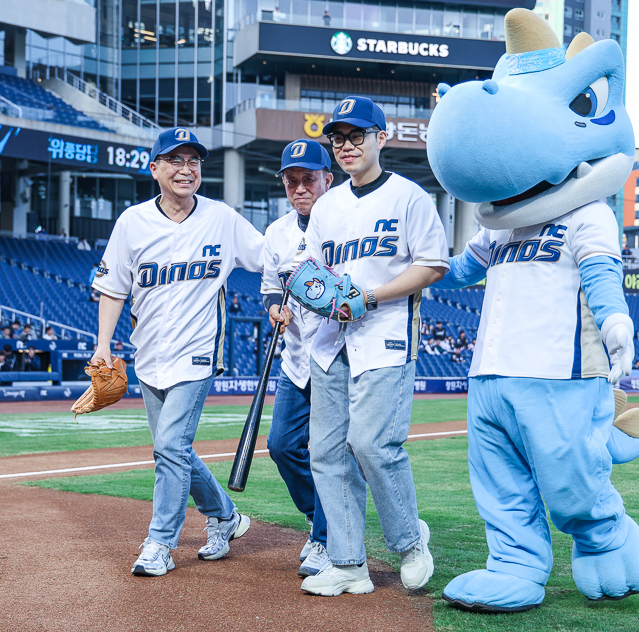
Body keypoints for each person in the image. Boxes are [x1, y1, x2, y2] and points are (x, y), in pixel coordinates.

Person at [90, 127, 266, 577]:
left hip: (198, 352)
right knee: (174, 450)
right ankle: (226, 516)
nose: (186, 169)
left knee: (170, 445)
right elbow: (113, 289)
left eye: (193, 161)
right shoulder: (132, 222)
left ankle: (160, 543)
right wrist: (103, 345)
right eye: (175, 160)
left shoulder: (221, 218)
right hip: (148, 356)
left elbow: (268, 257)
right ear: (155, 169)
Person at [299, 97, 448, 596]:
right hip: (329, 343)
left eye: (357, 135)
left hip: (385, 336)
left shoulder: (409, 197)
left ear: (381, 138)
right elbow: (314, 272)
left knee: (371, 445)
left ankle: (410, 542)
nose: (346, 145)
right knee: (326, 454)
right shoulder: (326, 206)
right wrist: (313, 293)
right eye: (338, 138)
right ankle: (348, 564)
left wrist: (370, 296)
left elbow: (433, 265)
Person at [262, 139, 335, 578]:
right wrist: (275, 306)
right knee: (281, 446)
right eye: (292, 181)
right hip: (295, 359)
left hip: (334, 356)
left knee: (327, 452)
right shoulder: (276, 232)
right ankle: (321, 517)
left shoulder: (345, 222)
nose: (300, 188)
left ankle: (326, 538)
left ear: (328, 179)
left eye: (309, 178)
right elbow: (271, 286)